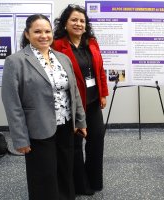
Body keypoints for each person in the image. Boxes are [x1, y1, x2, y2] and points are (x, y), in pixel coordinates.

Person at [1, 14, 87, 200]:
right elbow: (12, 103)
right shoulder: (15, 62)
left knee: (65, 170)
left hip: (65, 125)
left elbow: (74, 92)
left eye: (47, 31)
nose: (44, 35)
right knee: (43, 175)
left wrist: (80, 120)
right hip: (37, 128)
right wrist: (20, 138)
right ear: (27, 34)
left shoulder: (63, 58)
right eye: (37, 31)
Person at [52, 4, 108, 195]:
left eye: (82, 20)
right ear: (65, 24)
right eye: (74, 20)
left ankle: (94, 180)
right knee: (74, 146)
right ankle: (78, 184)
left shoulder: (91, 42)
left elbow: (100, 69)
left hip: (92, 102)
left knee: (96, 139)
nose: (78, 23)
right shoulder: (57, 45)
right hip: (72, 104)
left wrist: (103, 93)